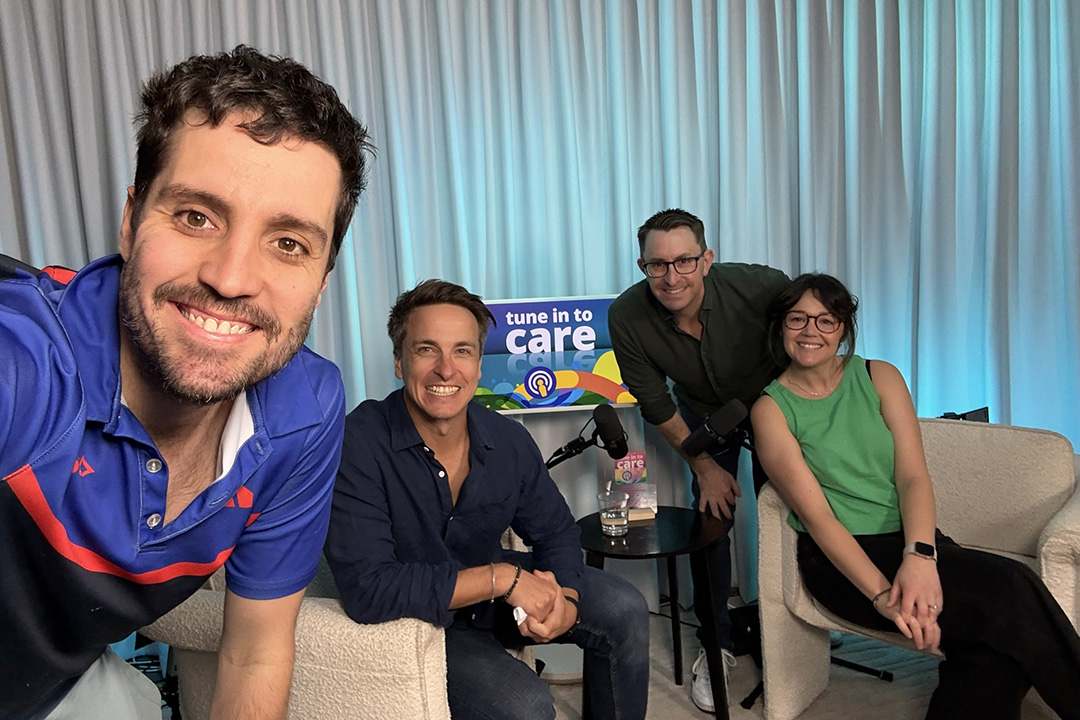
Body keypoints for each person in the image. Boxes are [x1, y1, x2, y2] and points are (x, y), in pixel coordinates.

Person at [0, 46, 371, 719]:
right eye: (197, 217)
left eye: (288, 242)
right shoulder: (21, 362)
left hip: (57, 684)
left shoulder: (305, 410)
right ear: (132, 218)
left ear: (321, 280)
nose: (230, 279)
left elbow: (254, 654)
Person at [751, 273, 1080, 719]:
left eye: (827, 320)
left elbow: (913, 477)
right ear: (781, 327)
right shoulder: (771, 410)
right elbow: (819, 520)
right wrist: (882, 595)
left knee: (992, 646)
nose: (812, 331)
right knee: (1012, 590)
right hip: (842, 561)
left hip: (911, 540)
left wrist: (921, 556)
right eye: (798, 319)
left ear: (844, 328)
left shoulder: (878, 375)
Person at [326, 279, 650, 720]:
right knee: (526, 705)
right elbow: (369, 590)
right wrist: (502, 579)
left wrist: (566, 599)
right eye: (426, 350)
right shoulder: (358, 442)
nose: (446, 369)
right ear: (399, 362)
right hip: (417, 623)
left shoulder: (506, 439)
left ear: (479, 364)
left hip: (490, 600)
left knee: (624, 609)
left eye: (462, 351)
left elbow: (555, 531)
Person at [607, 207, 789, 711]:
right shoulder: (626, 315)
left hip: (775, 404)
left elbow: (809, 335)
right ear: (642, 265)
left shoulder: (764, 287)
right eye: (657, 264)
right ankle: (716, 646)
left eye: (684, 261)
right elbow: (656, 402)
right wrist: (704, 467)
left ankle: (794, 624)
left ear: (707, 260)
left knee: (789, 511)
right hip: (704, 417)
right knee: (711, 520)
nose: (672, 276)